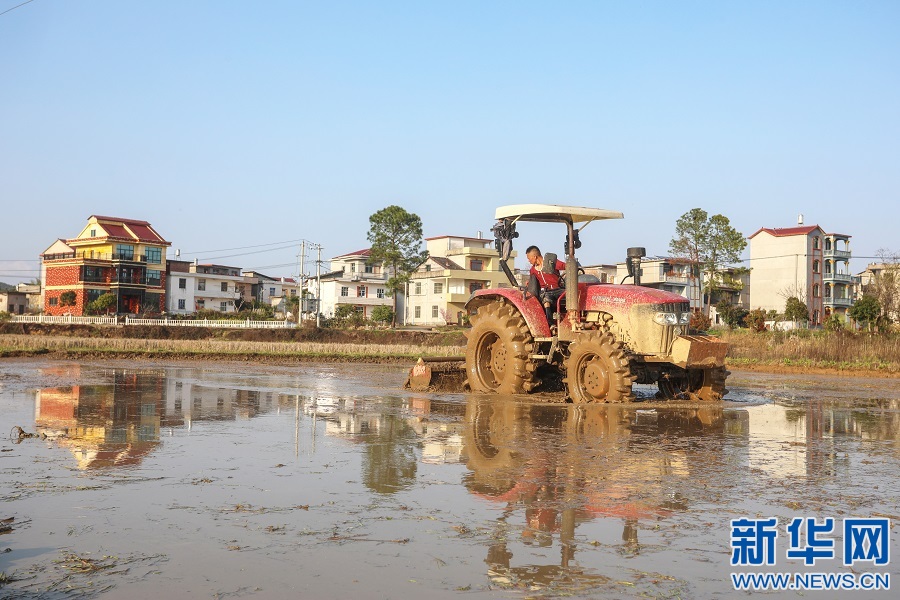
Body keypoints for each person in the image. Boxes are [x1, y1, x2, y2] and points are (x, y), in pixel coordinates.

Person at [525, 246, 566, 326]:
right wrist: (528, 283)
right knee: (546, 299)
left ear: (534, 257)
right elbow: (533, 282)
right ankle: (551, 325)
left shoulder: (550, 262)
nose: (529, 261)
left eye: (529, 258)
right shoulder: (533, 270)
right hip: (546, 292)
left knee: (572, 295)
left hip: (558, 289)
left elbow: (566, 266)